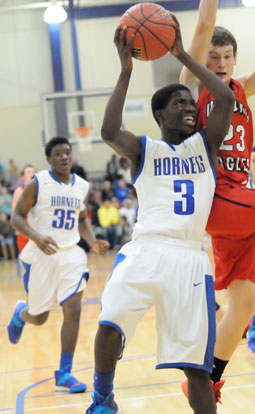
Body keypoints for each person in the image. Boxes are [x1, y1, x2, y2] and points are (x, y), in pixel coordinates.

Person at [85, 16, 234, 414]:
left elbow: (226, 100)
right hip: (146, 249)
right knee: (110, 323)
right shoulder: (143, 149)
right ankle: (103, 399)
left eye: (190, 102)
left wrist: (182, 53)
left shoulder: (205, 145)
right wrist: (126, 70)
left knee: (197, 370)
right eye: (179, 103)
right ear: (160, 114)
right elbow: (108, 130)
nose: (189, 107)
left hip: (188, 257)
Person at [179, 0, 255, 399]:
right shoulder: (195, 87)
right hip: (220, 200)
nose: (220, 62)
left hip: (243, 206)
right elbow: (205, 21)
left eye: (227, 57)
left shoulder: (242, 86)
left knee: (243, 302)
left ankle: (209, 380)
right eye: (213, 55)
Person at [7, 137, 109, 394]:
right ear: (49, 158)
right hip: (42, 254)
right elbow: (16, 217)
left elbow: (83, 219)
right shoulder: (38, 183)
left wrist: (93, 242)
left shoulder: (82, 186)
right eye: (58, 153)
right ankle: (22, 313)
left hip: (71, 254)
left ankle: (64, 373)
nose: (64, 157)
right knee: (39, 317)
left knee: (73, 310)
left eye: (67, 153)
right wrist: (37, 236)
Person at [11, 165, 36, 253]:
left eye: (33, 171)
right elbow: (14, 211)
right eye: (28, 172)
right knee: (26, 259)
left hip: (38, 228)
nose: (31, 174)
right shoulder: (19, 190)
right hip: (25, 229)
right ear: (23, 176)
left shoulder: (41, 190)